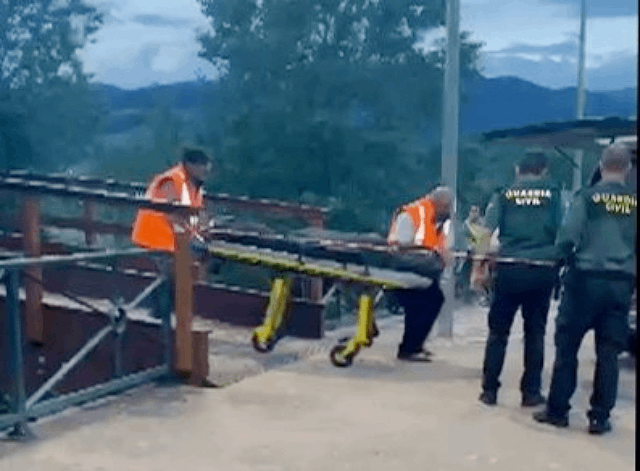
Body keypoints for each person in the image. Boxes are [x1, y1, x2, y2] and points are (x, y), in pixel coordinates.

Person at [534, 144, 637, 435]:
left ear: (601, 166)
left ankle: (558, 411)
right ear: (627, 170)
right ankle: (599, 418)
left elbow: (567, 238)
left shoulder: (586, 198)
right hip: (620, 286)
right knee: (609, 354)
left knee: (567, 349)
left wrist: (558, 261)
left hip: (584, 282)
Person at [478, 151, 563, 407]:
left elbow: (484, 232)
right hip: (541, 270)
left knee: (498, 332)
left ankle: (490, 390)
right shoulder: (554, 195)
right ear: (544, 170)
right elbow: (564, 233)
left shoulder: (504, 194)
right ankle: (531, 393)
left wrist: (478, 267)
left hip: (509, 268)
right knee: (535, 332)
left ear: (517, 169)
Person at [386, 186, 453, 361]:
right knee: (421, 304)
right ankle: (409, 348)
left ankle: (414, 345)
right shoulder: (411, 214)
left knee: (432, 301)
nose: (448, 211)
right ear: (436, 203)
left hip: (422, 270)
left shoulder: (436, 219)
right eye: (446, 207)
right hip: (403, 269)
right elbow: (401, 245)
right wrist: (432, 252)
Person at [131, 147, 212, 254]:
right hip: (153, 243)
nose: (206, 171)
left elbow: (196, 215)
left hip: (173, 245)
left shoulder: (195, 186)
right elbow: (174, 215)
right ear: (189, 165)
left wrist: (205, 228)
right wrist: (195, 237)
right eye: (202, 166)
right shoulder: (171, 181)